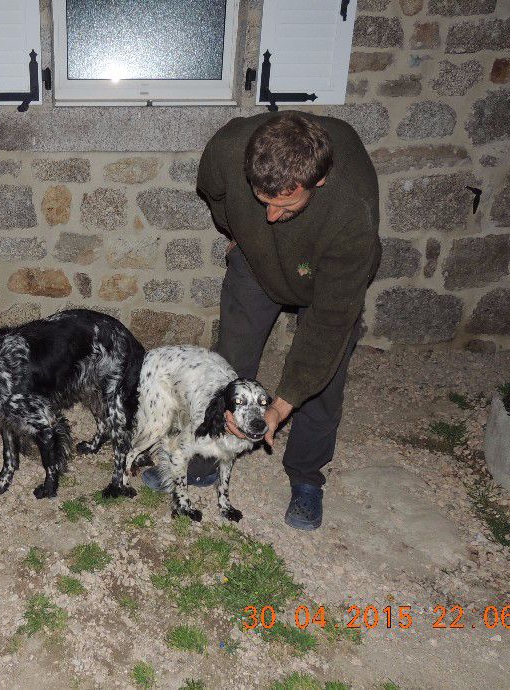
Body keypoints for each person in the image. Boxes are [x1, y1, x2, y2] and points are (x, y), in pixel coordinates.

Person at [143, 111, 380, 531]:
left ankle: (306, 477)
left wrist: (282, 404)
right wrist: (238, 232)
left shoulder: (351, 218)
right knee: (230, 359)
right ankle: (204, 454)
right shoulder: (228, 148)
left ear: (318, 181)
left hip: (323, 273)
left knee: (324, 376)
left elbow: (328, 326)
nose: (270, 215)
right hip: (254, 262)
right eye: (261, 200)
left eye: (285, 205)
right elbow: (212, 191)